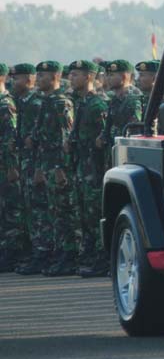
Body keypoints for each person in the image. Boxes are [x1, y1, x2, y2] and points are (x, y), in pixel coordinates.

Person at [31, 61, 76, 276]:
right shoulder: (46, 101)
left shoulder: (61, 103)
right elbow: (42, 140)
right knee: (51, 211)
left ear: (54, 77)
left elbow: (65, 139)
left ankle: (67, 256)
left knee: (62, 212)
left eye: (42, 75)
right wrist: (40, 167)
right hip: (46, 164)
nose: (38, 79)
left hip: (58, 166)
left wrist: (60, 167)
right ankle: (56, 254)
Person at [67, 61, 109, 277]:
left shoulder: (98, 105)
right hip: (83, 167)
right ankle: (91, 256)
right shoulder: (82, 103)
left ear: (88, 77)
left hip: (96, 169)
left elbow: (105, 140)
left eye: (75, 75)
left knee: (95, 214)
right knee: (84, 214)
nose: (70, 79)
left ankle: (103, 258)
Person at [10, 64, 44, 275]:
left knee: (41, 210)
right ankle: (34, 251)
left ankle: (43, 252)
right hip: (26, 162)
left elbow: (42, 138)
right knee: (30, 209)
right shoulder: (24, 102)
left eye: (18, 78)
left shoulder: (36, 103)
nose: (14, 82)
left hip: (38, 163)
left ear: (29, 80)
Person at [96, 61, 143, 169]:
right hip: (115, 150)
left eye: (112, 75)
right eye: (107, 75)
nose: (108, 78)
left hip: (127, 154)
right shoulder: (115, 98)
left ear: (124, 76)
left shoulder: (133, 98)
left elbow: (134, 130)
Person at [0, 64, 21, 272]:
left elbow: (10, 139)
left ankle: (12, 253)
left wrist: (11, 166)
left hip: (6, 166)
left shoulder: (5, 104)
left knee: (10, 210)